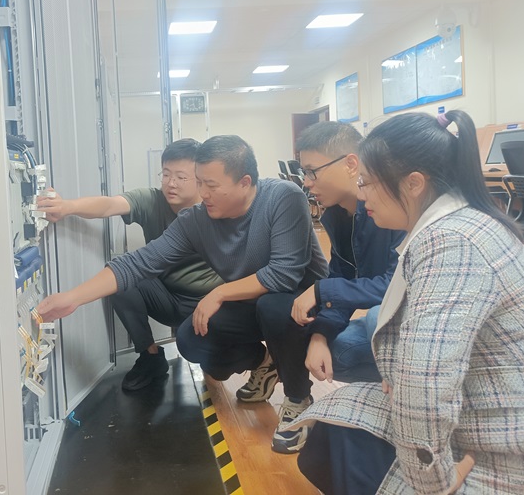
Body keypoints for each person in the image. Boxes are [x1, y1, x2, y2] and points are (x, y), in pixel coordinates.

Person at [292, 111, 524, 494]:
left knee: (347, 438)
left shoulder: (450, 242)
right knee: (330, 434)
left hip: (518, 433)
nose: (362, 194)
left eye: (366, 183)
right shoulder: (454, 224)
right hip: (490, 400)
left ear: (414, 183)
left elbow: (426, 384)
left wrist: (432, 483)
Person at [36, 135, 329, 451]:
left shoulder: (283, 197)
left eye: (211, 185)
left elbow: (284, 275)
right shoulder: (196, 220)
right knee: (192, 339)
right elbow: (138, 262)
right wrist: (72, 298)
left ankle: (298, 398)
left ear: (245, 182)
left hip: (302, 305)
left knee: (272, 306)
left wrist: (218, 294)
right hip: (252, 304)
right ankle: (266, 361)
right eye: (199, 183)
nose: (203, 193)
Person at [36, 138, 223, 391]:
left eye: (181, 177)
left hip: (207, 306)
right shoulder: (152, 200)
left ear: (199, 179)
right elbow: (110, 205)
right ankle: (150, 357)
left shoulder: (213, 210)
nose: (171, 183)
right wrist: (67, 207)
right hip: (167, 298)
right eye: (166, 174)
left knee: (213, 364)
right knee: (121, 279)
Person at [290, 122, 405, 388]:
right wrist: (320, 335)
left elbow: (397, 286)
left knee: (377, 317)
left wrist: (322, 290)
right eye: (304, 172)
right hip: (390, 321)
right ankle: (390, 386)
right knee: (330, 350)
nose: (306, 182)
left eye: (312, 172)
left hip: (416, 322)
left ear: (351, 164)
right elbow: (342, 276)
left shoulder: (392, 212)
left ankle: (409, 388)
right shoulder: (338, 217)